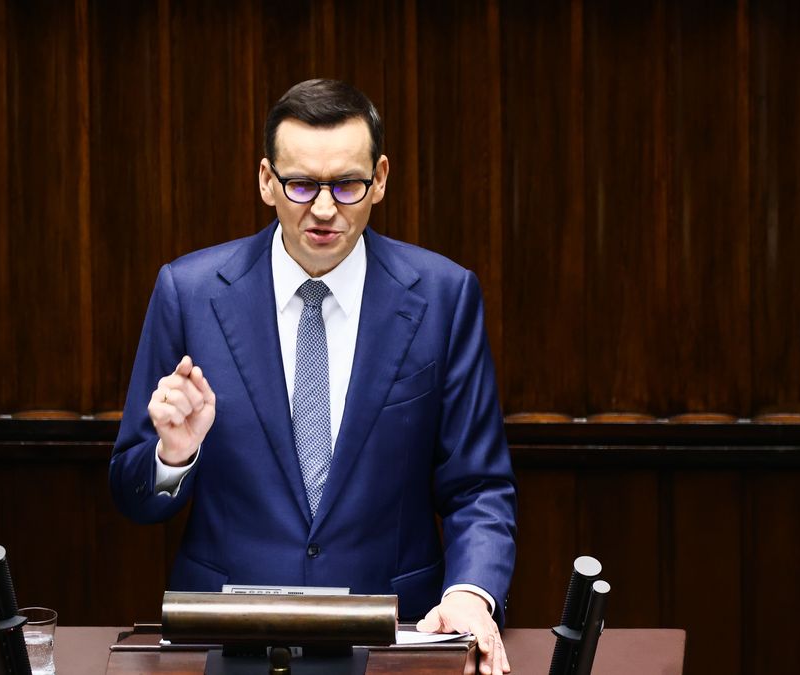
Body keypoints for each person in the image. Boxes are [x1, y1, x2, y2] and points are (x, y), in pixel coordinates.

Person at [111, 79, 516, 674]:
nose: (324, 209)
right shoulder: (189, 292)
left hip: (395, 635)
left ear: (380, 179)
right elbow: (130, 493)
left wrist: (470, 592)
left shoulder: (444, 295)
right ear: (266, 180)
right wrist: (173, 457)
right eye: (301, 185)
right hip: (228, 642)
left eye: (347, 185)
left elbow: (478, 486)